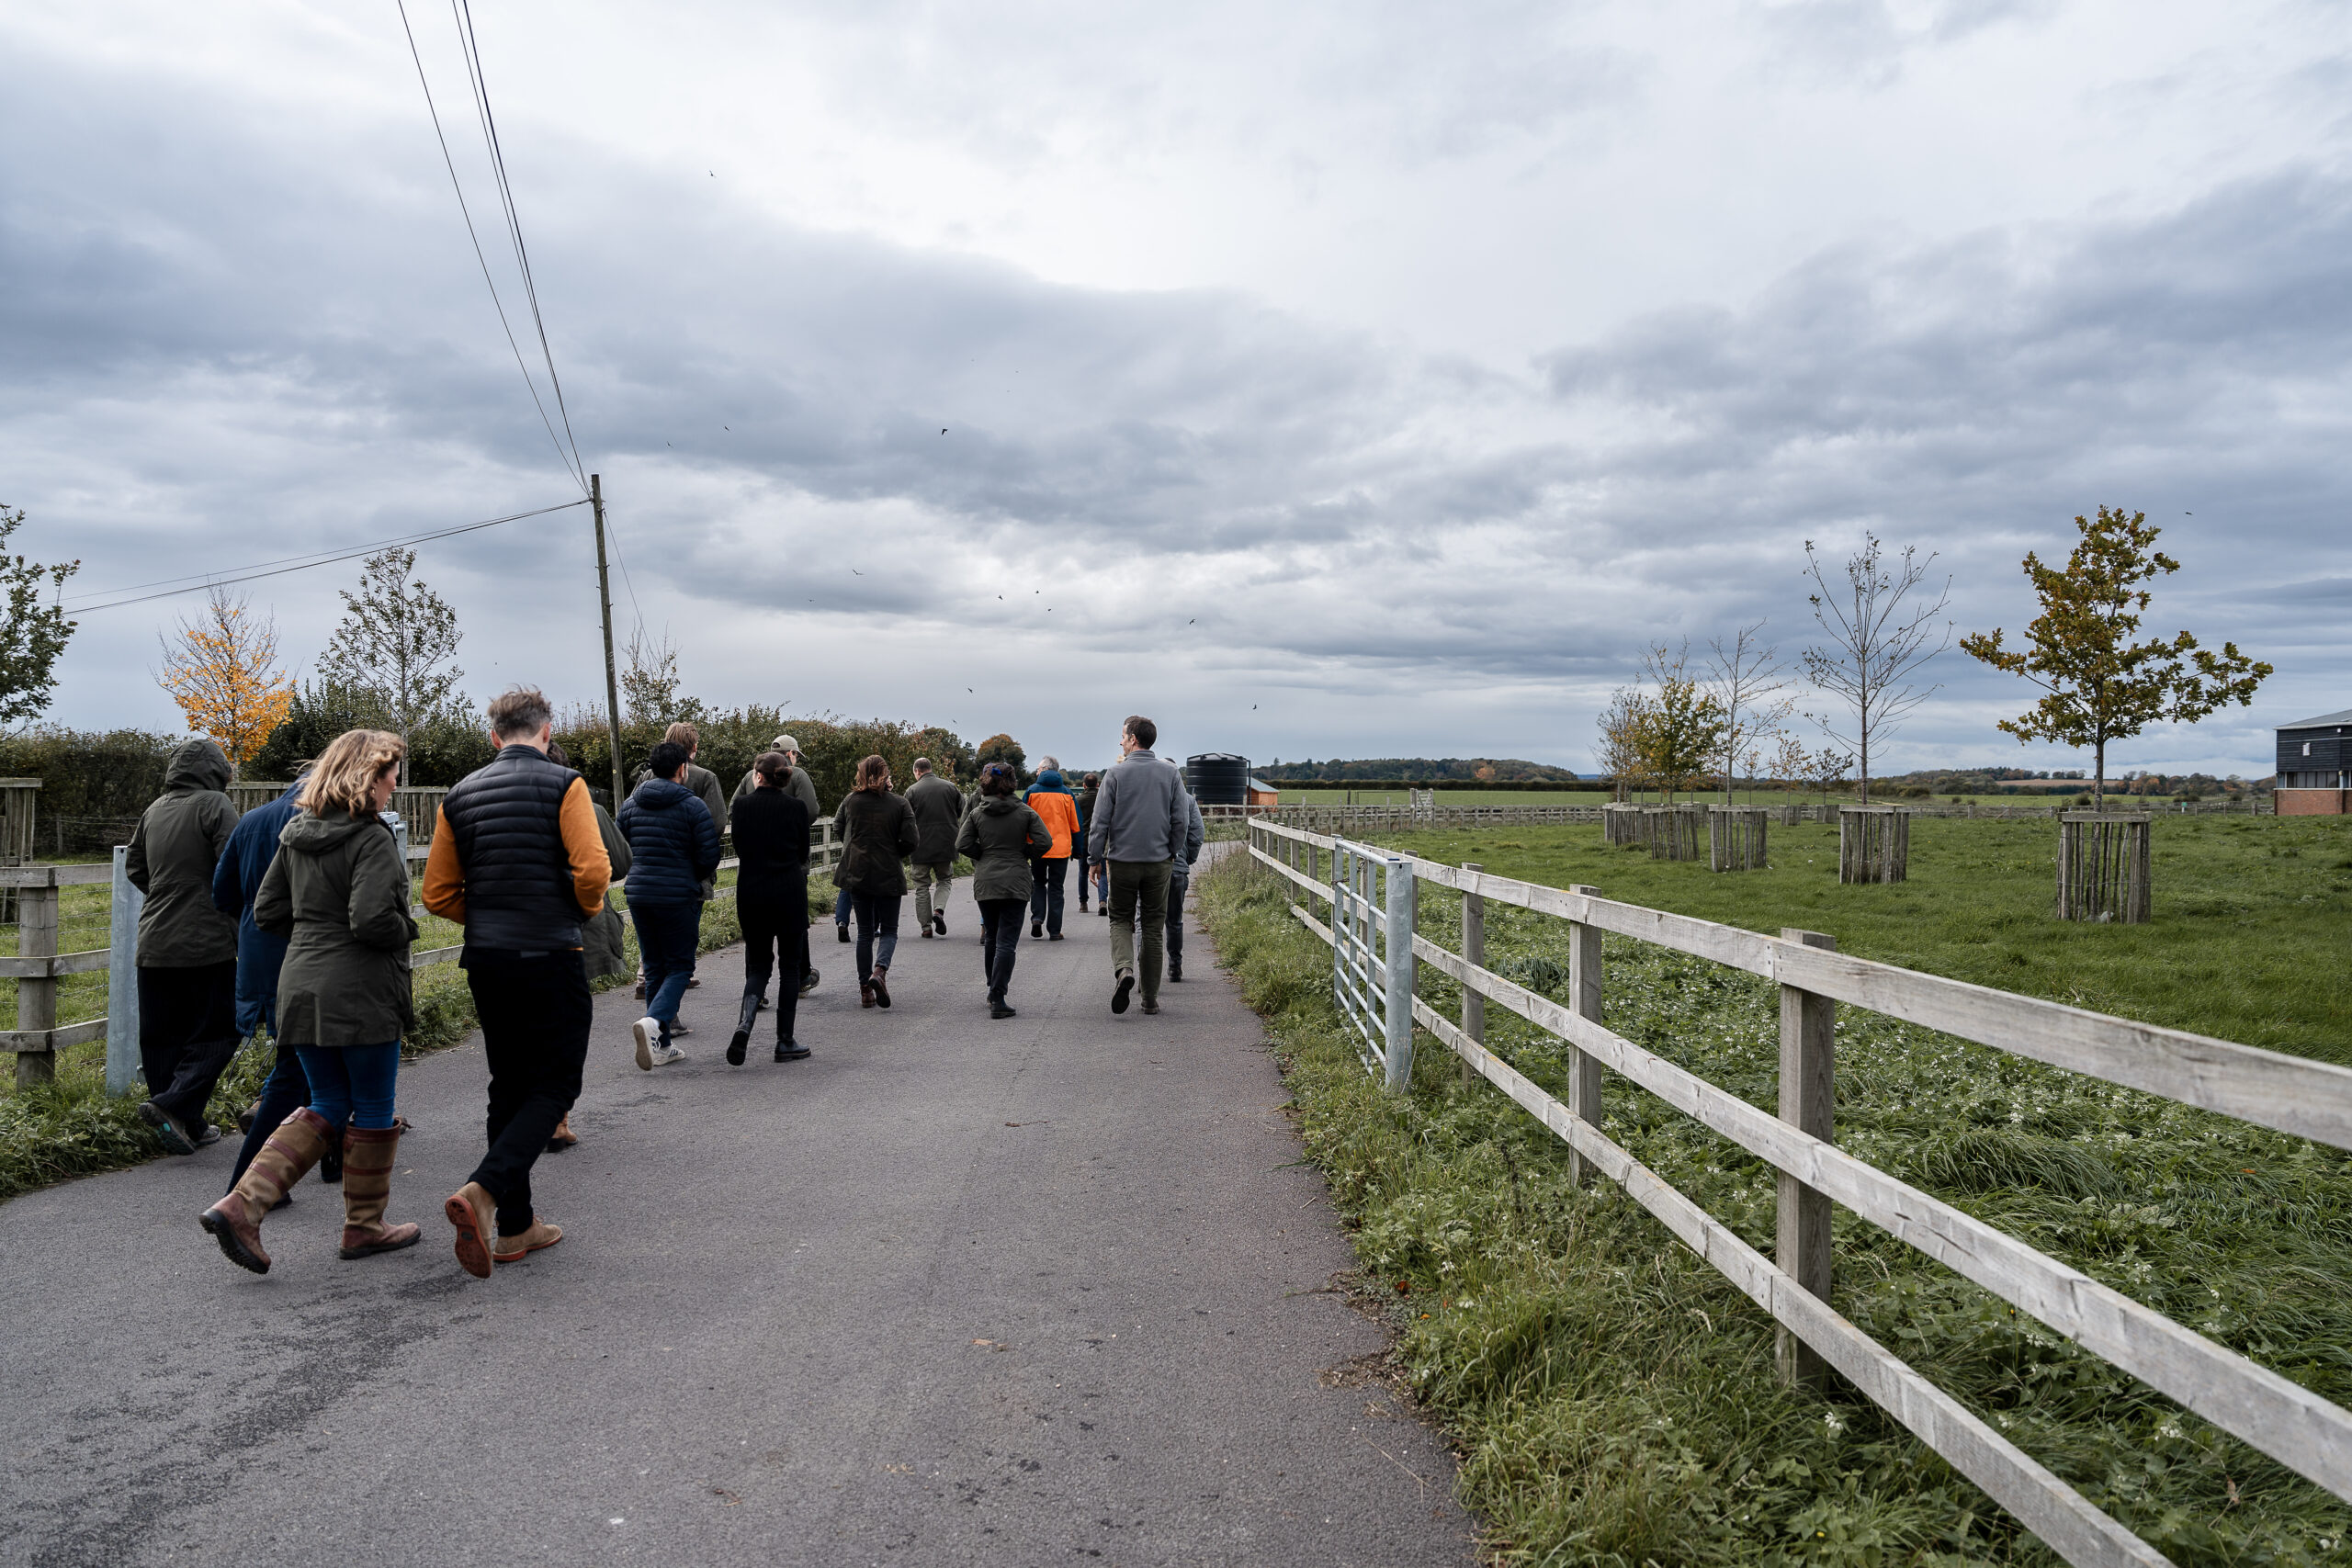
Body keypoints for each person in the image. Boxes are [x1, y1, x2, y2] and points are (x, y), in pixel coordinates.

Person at [199, 730, 420, 1274]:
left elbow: (267, 911)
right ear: (368, 776)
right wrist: (407, 927)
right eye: (391, 775)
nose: (395, 785)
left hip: (299, 984)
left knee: (326, 1102)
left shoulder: (296, 833)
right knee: (372, 1106)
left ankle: (242, 1205)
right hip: (361, 991)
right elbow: (372, 921)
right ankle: (364, 1227)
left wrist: (314, 936)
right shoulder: (370, 839)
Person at [423, 686, 612, 1280]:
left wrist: (487, 918)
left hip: (488, 958)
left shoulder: (459, 795)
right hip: (550, 952)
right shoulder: (565, 784)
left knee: (507, 1085)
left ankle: (515, 1226)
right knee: (556, 1084)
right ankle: (484, 1190)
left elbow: (437, 893)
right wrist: (577, 911)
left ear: (494, 736)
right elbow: (594, 869)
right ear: (547, 732)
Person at [212, 766, 327, 1191]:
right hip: (309, 954)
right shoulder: (323, 821)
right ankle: (250, 1184)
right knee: (299, 1065)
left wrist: (253, 925)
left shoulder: (251, 820)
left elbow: (222, 893)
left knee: (304, 1060)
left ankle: (327, 1157)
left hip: (258, 951)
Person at [127, 738, 243, 1155]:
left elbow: (135, 866)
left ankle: (184, 1125)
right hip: (205, 941)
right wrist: (216, 902)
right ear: (215, 771)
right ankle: (171, 1106)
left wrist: (167, 893)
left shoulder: (154, 809)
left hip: (154, 941)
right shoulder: (215, 804)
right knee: (221, 1031)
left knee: (162, 1039)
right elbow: (235, 865)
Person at [547, 740, 628, 1153]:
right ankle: (555, 1119)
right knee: (564, 1026)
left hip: (501, 935)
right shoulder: (587, 808)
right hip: (573, 929)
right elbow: (621, 861)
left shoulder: (487, 803)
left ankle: (526, 1113)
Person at [621, 739, 722, 1069]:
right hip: (678, 894)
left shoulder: (631, 804)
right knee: (680, 967)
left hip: (639, 893)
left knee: (653, 966)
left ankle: (662, 1045)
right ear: (682, 768)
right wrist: (689, 875)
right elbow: (708, 855)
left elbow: (621, 846)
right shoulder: (693, 806)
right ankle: (654, 1020)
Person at [1085, 716, 1189, 1016]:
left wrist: (1094, 859)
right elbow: (1181, 821)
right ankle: (1150, 999)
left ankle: (1124, 970)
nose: (1120, 741)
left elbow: (1099, 823)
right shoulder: (1171, 774)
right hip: (1159, 862)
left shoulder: (1114, 774)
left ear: (1133, 739)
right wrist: (1171, 851)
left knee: (1120, 919)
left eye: (1123, 736)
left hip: (1122, 862)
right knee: (1153, 927)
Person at [729, 750, 812, 1064]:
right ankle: (785, 1041)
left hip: (752, 892)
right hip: (789, 892)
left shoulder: (742, 806)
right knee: (790, 967)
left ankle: (745, 1024)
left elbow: (739, 847)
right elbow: (803, 853)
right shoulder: (796, 808)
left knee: (759, 964)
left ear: (758, 776)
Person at [733, 733, 821, 1003]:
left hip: (753, 869)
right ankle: (802, 976)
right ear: (791, 755)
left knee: (756, 937)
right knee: (794, 927)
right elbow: (811, 810)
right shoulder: (798, 775)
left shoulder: (750, 776)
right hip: (788, 866)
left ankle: (755, 991)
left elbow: (734, 808)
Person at [959, 763, 1051, 1019]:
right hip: (1016, 881)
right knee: (1007, 942)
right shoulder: (1025, 812)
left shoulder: (977, 813)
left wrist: (982, 855)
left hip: (986, 880)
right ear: (1012, 783)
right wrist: (1026, 853)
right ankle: (998, 996)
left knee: (992, 936)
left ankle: (992, 987)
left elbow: (962, 843)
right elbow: (1045, 841)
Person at [832, 754, 917, 1009]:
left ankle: (865, 991)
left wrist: (854, 847)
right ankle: (879, 971)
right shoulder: (900, 804)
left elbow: (838, 827)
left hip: (857, 871)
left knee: (865, 933)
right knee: (889, 930)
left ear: (861, 774)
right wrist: (895, 852)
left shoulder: (851, 801)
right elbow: (911, 840)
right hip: (888, 871)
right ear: (886, 775)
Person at [904, 756, 963, 938]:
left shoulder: (911, 791)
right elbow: (962, 811)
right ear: (930, 768)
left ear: (917, 771)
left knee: (921, 886)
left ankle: (926, 928)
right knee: (944, 880)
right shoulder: (950, 787)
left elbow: (905, 819)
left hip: (920, 845)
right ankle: (938, 910)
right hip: (946, 843)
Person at [1023, 762, 1080, 940]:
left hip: (1037, 847)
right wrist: (1078, 849)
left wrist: (1023, 847)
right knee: (1056, 888)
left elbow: (1022, 819)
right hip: (1060, 849)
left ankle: (1037, 918)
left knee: (1038, 883)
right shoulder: (1067, 793)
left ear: (1045, 770)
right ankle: (1054, 930)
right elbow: (1076, 824)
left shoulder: (1031, 791)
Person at [1164, 784, 1205, 983]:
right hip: (1177, 869)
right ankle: (1175, 965)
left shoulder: (1149, 795)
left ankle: (1146, 968)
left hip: (1150, 865)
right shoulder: (1188, 800)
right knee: (1174, 920)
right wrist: (1187, 859)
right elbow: (1197, 834)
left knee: (1146, 920)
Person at [1076, 772, 1106, 915]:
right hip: (1101, 839)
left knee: (1083, 872)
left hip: (1084, 840)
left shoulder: (1079, 800)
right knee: (1103, 872)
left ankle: (1083, 902)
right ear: (1098, 784)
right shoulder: (1103, 798)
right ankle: (1102, 901)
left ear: (1084, 785)